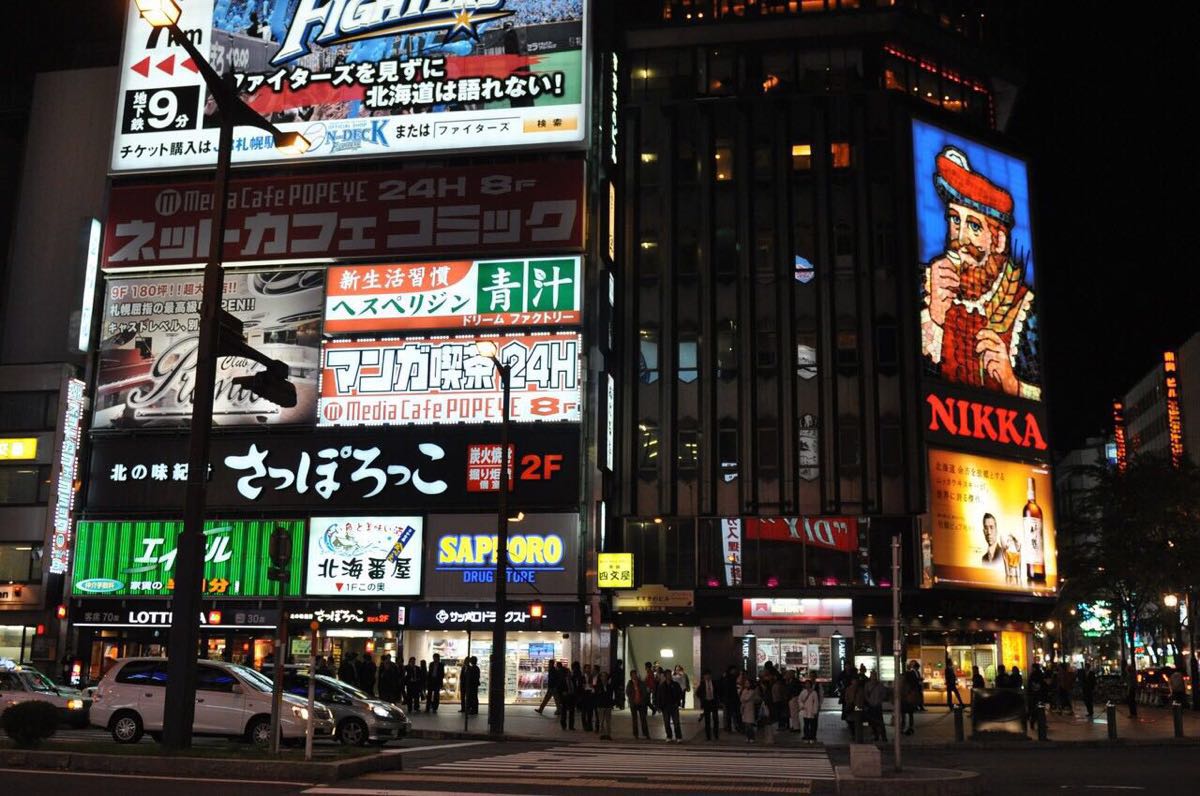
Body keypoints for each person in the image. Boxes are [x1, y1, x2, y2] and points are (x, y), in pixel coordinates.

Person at [920, 144, 1041, 400]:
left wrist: (1013, 384)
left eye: (974, 226)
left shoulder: (1027, 309)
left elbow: (1048, 398)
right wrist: (934, 320)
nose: (959, 237)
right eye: (954, 220)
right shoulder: (924, 285)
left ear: (998, 241)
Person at [656, 669, 683, 742]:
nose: (669, 676)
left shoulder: (675, 684)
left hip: (674, 705)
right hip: (665, 706)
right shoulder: (662, 686)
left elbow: (680, 693)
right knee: (666, 722)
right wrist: (658, 706)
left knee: (676, 722)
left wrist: (678, 702)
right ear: (665, 676)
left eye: (670, 674)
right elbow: (658, 696)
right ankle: (669, 736)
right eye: (667, 675)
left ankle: (678, 737)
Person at [696, 669, 720, 741]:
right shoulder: (702, 683)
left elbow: (718, 691)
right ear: (704, 676)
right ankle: (708, 736)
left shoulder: (714, 683)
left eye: (709, 675)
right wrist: (703, 698)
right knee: (707, 720)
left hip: (714, 702)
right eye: (706, 675)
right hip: (706, 703)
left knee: (716, 719)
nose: (707, 676)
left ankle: (716, 735)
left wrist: (718, 699)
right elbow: (698, 693)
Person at [626, 668, 650, 739]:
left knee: (643, 719)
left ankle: (646, 733)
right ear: (631, 676)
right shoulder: (630, 683)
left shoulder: (641, 683)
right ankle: (635, 734)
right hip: (633, 704)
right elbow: (628, 692)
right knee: (634, 719)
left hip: (641, 703)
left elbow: (644, 692)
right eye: (633, 675)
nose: (634, 676)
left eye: (635, 674)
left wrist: (641, 699)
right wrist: (633, 700)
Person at [864, 670, 888, 742]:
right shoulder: (867, 684)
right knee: (872, 721)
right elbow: (866, 694)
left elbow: (883, 694)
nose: (873, 677)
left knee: (880, 721)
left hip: (877, 705)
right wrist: (869, 701)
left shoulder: (879, 685)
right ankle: (876, 735)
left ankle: (883, 736)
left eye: (874, 675)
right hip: (871, 705)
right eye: (872, 675)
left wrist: (879, 700)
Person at [901, 661, 921, 736]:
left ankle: (903, 727)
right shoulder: (912, 674)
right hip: (910, 696)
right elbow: (915, 683)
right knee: (910, 713)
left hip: (905, 696)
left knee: (904, 713)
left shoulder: (904, 675)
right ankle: (910, 727)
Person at [739, 675, 761, 743]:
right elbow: (742, 698)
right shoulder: (744, 690)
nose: (746, 684)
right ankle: (748, 737)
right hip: (744, 708)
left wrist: (744, 698)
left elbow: (746, 698)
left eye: (747, 683)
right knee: (746, 724)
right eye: (746, 683)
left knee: (749, 724)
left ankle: (752, 737)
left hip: (750, 708)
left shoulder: (752, 691)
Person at [800, 678, 821, 743]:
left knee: (812, 724)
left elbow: (816, 702)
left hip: (812, 710)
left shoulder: (814, 692)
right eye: (806, 684)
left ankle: (812, 736)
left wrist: (815, 710)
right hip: (806, 710)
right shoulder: (803, 692)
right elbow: (800, 700)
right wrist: (802, 706)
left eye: (808, 684)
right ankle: (806, 735)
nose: (807, 685)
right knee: (806, 724)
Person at [559, 662, 580, 730]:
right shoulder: (562, 681)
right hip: (565, 698)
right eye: (568, 672)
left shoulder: (573, 679)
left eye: (570, 672)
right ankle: (563, 725)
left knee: (571, 712)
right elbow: (559, 690)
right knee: (564, 712)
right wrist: (562, 694)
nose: (570, 673)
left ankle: (571, 726)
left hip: (571, 697)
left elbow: (575, 687)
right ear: (565, 674)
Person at [722, 665, 742, 733]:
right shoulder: (730, 678)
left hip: (730, 699)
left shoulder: (727, 677)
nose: (735, 671)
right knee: (733, 714)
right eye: (734, 670)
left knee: (730, 714)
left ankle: (730, 728)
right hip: (731, 699)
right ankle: (733, 727)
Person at [1027, 663, 1046, 730]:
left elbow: (1031, 685)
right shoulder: (1041, 674)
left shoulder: (1033, 675)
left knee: (1034, 710)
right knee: (1040, 709)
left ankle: (1034, 723)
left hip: (1034, 695)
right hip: (1040, 695)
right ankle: (1042, 723)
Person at [595, 671, 614, 740]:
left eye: (605, 676)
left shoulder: (610, 686)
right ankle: (602, 734)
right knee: (601, 721)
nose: (604, 678)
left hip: (608, 705)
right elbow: (596, 696)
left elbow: (611, 696)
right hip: (601, 705)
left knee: (608, 720)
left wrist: (611, 704)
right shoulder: (598, 686)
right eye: (602, 676)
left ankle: (608, 734)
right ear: (600, 677)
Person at [579, 663, 596, 731]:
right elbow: (580, 687)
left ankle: (590, 726)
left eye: (589, 668)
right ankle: (584, 726)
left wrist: (588, 686)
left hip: (591, 696)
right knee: (583, 712)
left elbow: (594, 686)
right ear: (584, 669)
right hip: (584, 697)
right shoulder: (581, 677)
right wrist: (587, 686)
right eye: (587, 668)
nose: (588, 669)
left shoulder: (592, 677)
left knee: (590, 712)